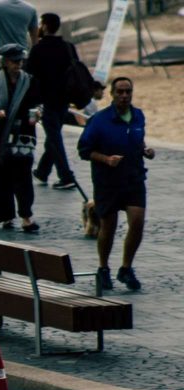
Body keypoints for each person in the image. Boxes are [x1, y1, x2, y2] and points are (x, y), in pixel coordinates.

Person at [77, 77, 154, 291]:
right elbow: (84, 150)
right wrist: (106, 159)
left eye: (128, 91)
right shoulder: (99, 120)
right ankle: (103, 268)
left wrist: (145, 150)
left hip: (134, 178)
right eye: (120, 92)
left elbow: (137, 139)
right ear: (112, 94)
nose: (124, 96)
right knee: (108, 227)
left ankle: (126, 268)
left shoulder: (138, 116)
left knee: (137, 222)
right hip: (107, 182)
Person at [0, 43, 42, 233]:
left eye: (20, 61)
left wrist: (37, 114)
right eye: (14, 61)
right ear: (5, 62)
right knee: (1, 176)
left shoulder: (29, 80)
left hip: (23, 136)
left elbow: (38, 104)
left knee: (23, 176)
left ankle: (26, 217)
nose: (18, 64)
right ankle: (6, 216)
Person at [26, 13, 78, 190]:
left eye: (40, 24)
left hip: (47, 100)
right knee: (53, 135)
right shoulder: (68, 47)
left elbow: (29, 75)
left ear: (46, 26)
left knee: (54, 138)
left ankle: (66, 176)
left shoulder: (38, 49)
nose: (39, 27)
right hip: (64, 99)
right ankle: (42, 171)